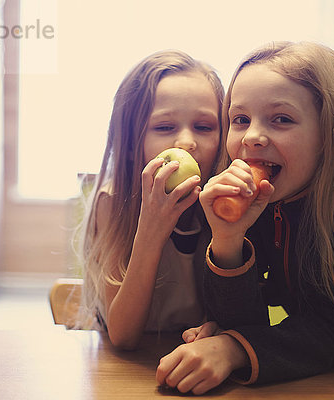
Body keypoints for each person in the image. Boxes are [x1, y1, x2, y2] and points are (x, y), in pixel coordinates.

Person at [156, 41, 334, 394]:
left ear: (331, 132)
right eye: (240, 119)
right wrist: (228, 240)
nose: (253, 137)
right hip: (320, 376)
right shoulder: (264, 203)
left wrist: (234, 348)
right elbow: (246, 317)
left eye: (281, 119)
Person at [77, 50, 225, 350]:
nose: (186, 141)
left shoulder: (227, 203)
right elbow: (124, 336)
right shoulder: (113, 202)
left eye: (204, 127)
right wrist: (151, 228)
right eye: (165, 127)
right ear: (132, 145)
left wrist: (219, 326)